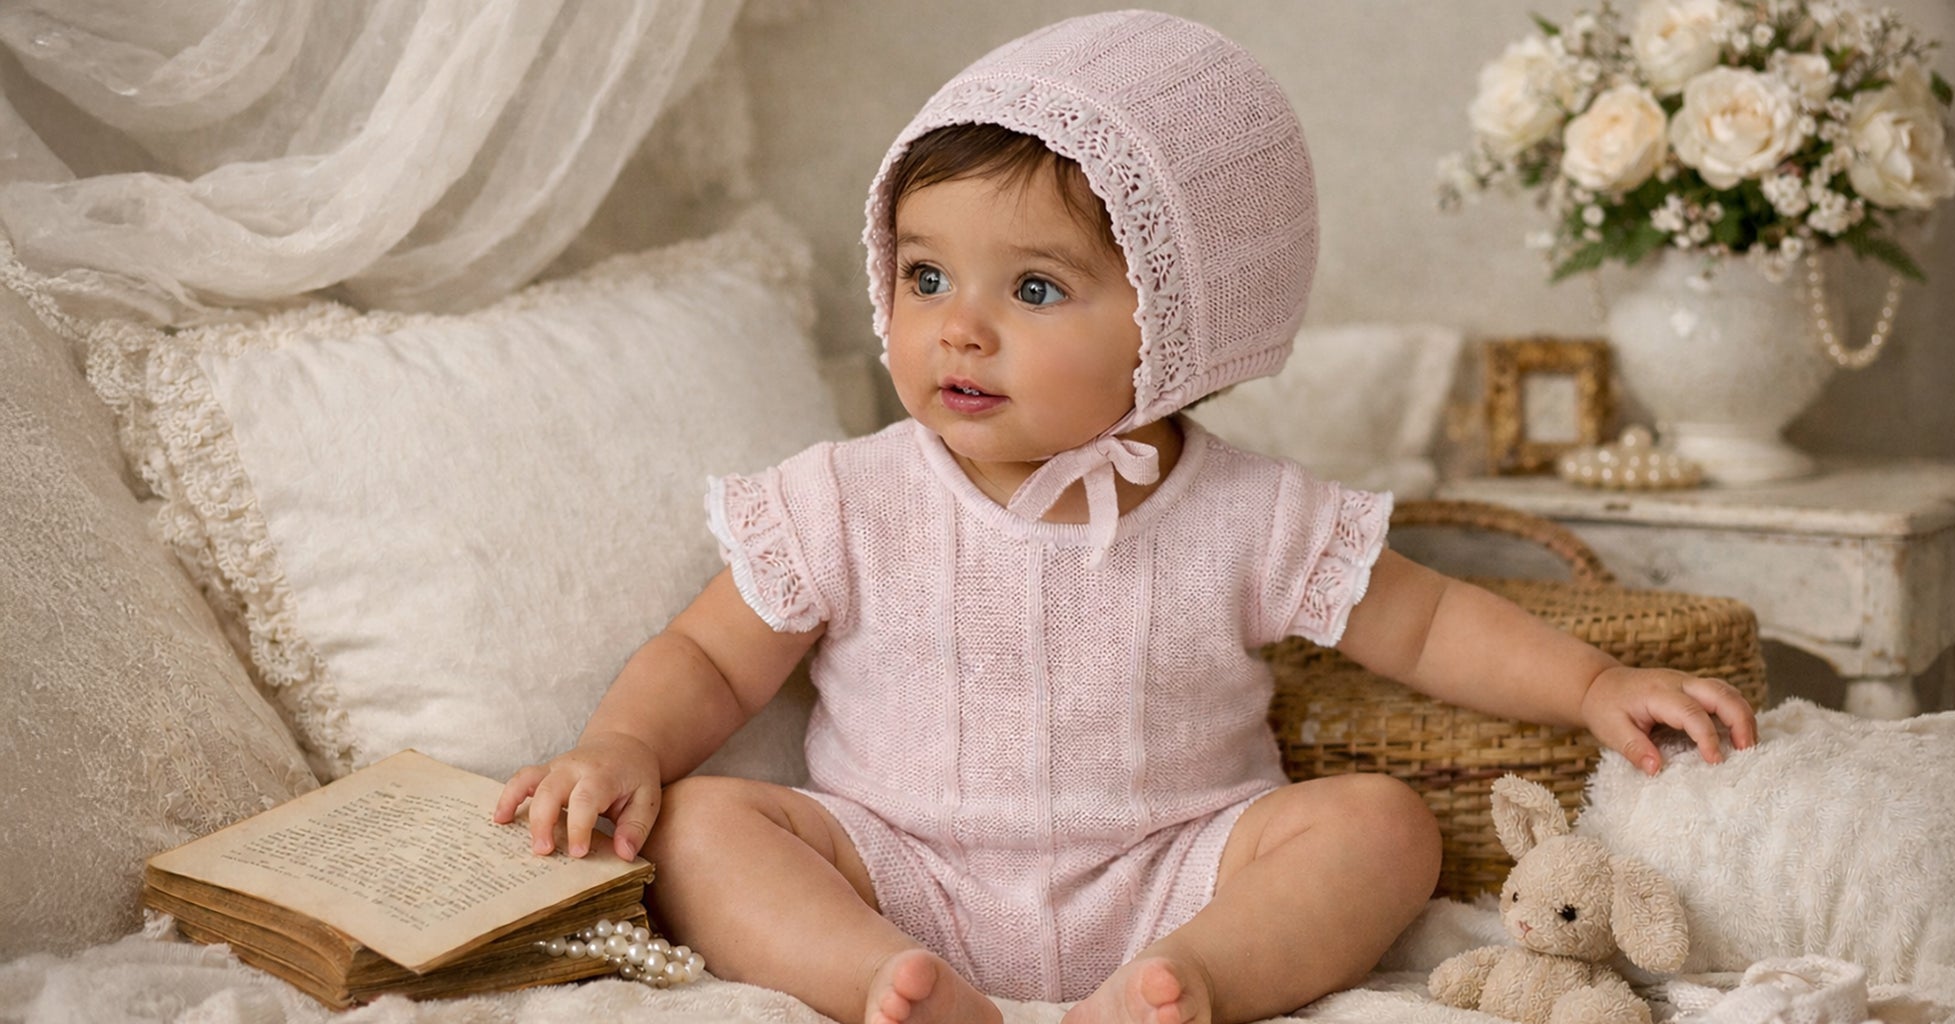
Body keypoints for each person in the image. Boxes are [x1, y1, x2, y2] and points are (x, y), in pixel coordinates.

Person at [495, 11, 1757, 1024]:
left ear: (1175, 323)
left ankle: (1189, 985)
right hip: (895, 864)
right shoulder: (849, 493)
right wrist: (621, 743)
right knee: (712, 820)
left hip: (1177, 869)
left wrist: (1589, 682)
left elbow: (1424, 623)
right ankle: (881, 984)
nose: (957, 326)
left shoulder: (1243, 508)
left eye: (1034, 286)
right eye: (924, 274)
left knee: (1380, 825)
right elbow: (713, 656)